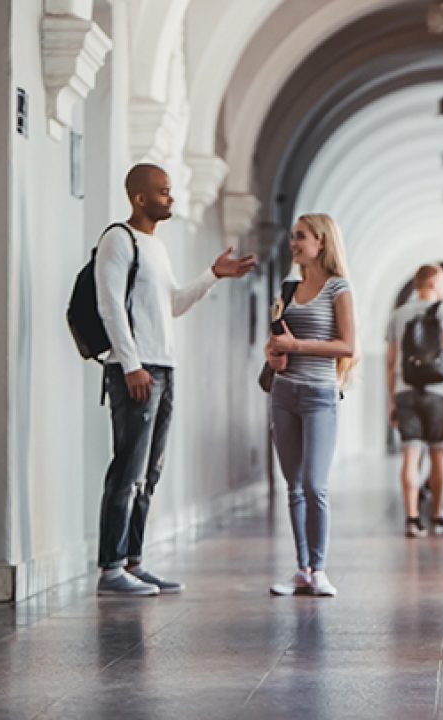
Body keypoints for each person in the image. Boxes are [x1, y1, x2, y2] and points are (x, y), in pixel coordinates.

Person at [94, 163, 256, 596]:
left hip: (163, 367)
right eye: (163, 192)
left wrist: (213, 276)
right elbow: (110, 306)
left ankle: (133, 561)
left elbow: (174, 305)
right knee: (127, 468)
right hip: (136, 369)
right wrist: (130, 365)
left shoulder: (157, 248)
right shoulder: (118, 239)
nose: (171, 198)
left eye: (171, 191)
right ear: (139, 198)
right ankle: (111, 568)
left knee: (150, 471)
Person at [264, 214, 356, 598]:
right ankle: (301, 569)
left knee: (315, 485)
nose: (294, 243)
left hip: (320, 394)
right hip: (284, 393)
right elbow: (275, 341)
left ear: (321, 241)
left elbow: (349, 346)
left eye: (301, 236)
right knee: (294, 487)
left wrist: (297, 347)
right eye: (292, 237)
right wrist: (274, 354)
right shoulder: (287, 287)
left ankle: (319, 569)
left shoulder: (338, 289)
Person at [386, 265, 443, 538]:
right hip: (438, 391)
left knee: (410, 455)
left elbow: (391, 361)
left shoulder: (398, 314)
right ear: (431, 282)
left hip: (404, 390)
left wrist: (391, 401)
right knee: (437, 454)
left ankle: (412, 517)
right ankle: (437, 513)